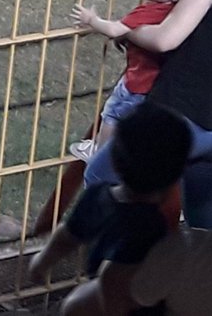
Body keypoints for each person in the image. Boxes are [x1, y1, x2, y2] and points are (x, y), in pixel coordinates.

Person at [77, 0, 212, 230]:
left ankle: (117, 259)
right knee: (203, 212)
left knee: (99, 178)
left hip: (181, 118)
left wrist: (124, 29)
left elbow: (165, 39)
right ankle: (208, 265)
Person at [26, 102, 191, 316]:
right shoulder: (152, 226)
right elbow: (115, 281)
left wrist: (41, 263)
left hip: (101, 294)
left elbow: (68, 235)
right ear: (177, 175)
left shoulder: (97, 196)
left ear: (113, 159)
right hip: (136, 305)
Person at [68, 0, 202, 161]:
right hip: (160, 86)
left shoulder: (147, 12)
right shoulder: (180, 14)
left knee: (112, 113)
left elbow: (114, 30)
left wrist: (92, 20)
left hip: (136, 82)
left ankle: (99, 154)